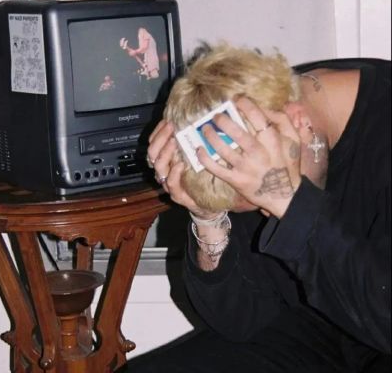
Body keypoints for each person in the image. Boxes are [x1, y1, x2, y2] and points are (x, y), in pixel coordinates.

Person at [129, 43, 391, 372]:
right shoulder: (246, 125)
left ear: (297, 121)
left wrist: (290, 204)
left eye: (261, 204)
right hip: (316, 333)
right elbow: (242, 324)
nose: (264, 214)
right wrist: (208, 219)